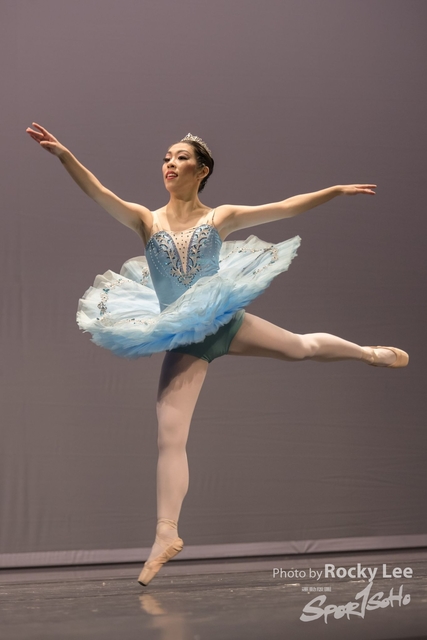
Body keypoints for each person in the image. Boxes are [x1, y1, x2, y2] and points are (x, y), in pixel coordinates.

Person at [26, 122, 409, 586]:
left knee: (302, 347)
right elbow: (98, 191)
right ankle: (166, 533)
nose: (170, 163)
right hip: (184, 339)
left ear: (201, 170)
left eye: (181, 157)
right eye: (166, 157)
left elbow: (285, 207)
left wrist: (334, 191)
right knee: (170, 438)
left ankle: (368, 353)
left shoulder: (219, 217)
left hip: (225, 322)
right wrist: (65, 155)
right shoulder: (145, 219)